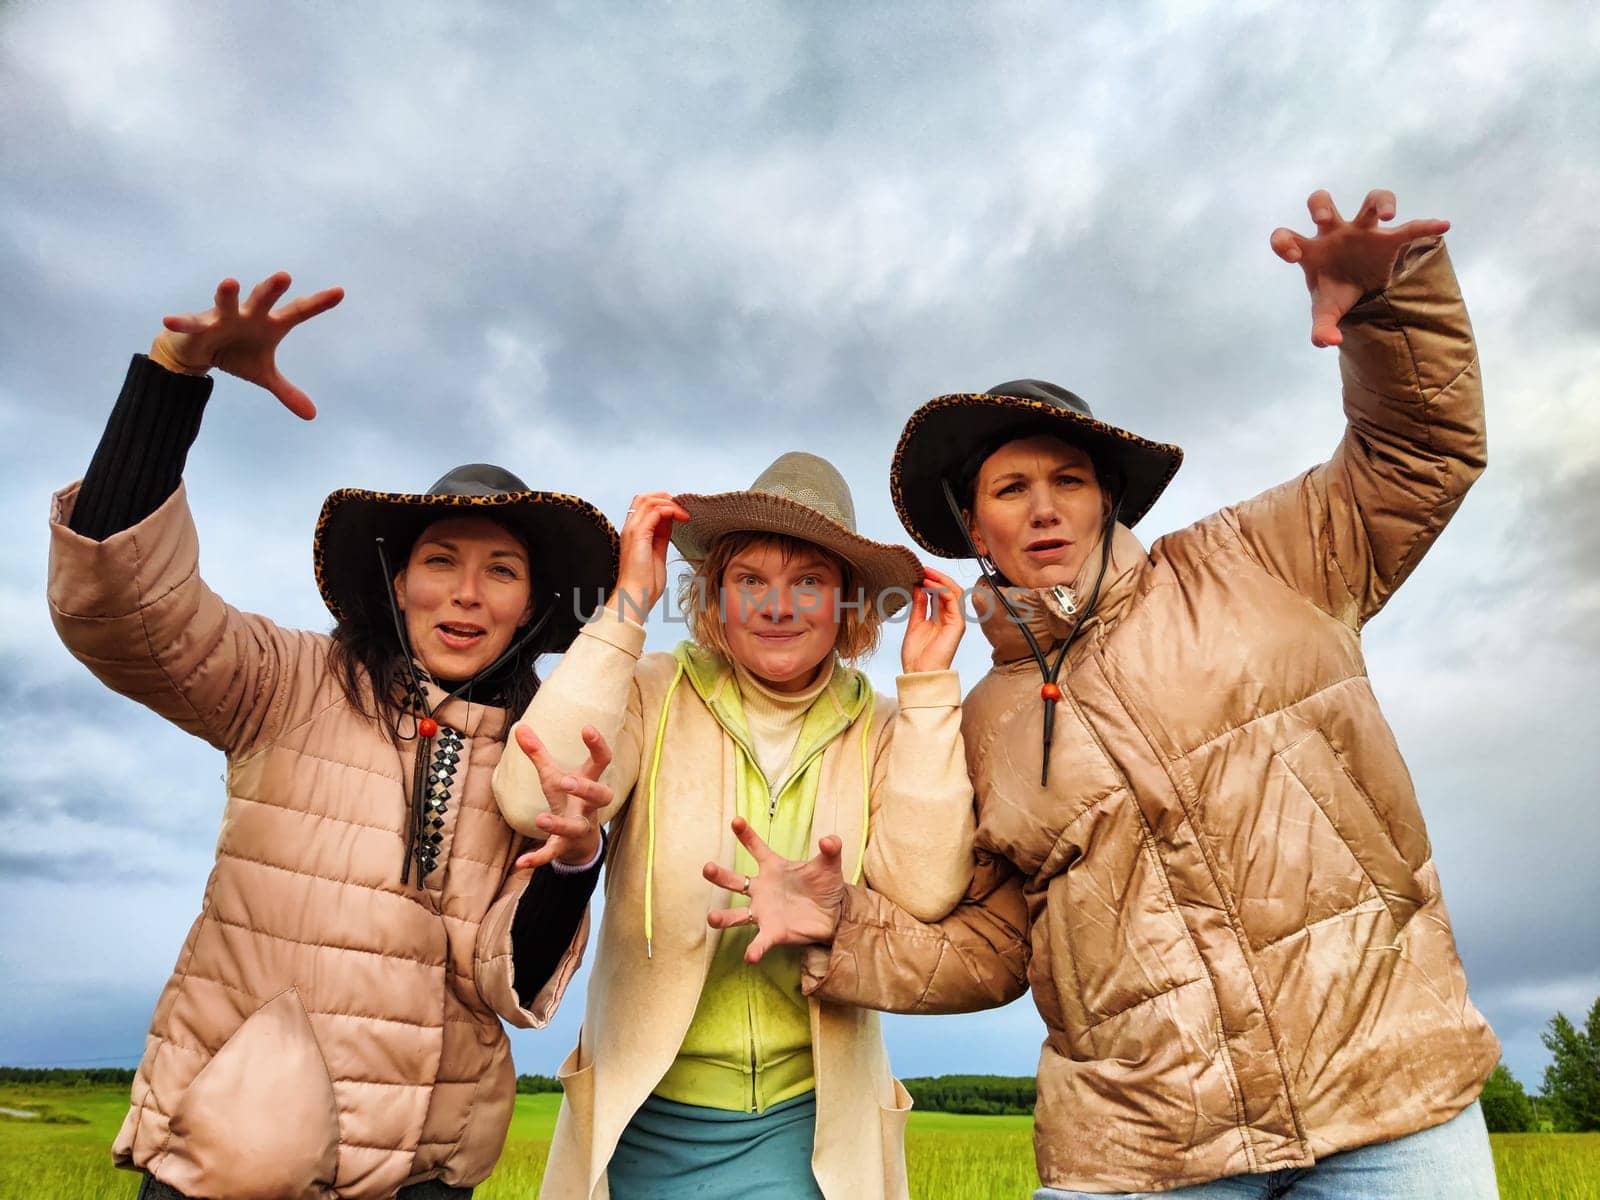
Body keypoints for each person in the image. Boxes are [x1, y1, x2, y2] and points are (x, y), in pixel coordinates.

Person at [703, 190, 1502, 1198]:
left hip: (1389, 1091)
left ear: (1107, 497)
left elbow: (1418, 456)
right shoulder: (980, 723)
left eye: (1068, 479)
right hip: (1143, 1142)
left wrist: (1386, 310)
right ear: (972, 528)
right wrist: (844, 928)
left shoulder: (1260, 561)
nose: (1043, 508)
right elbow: (994, 945)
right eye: (1009, 489)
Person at [47, 272, 621, 1200]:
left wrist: (573, 858)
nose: (467, 594)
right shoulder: (285, 684)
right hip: (233, 1152)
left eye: (501, 572)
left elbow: (505, 981)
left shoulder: (541, 755)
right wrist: (171, 382)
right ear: (398, 583)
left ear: (531, 608)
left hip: (427, 1168)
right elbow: (122, 605)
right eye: (441, 561)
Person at [492, 452, 977, 1198]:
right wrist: (626, 605)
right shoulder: (652, 690)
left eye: (808, 582)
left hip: (812, 1126)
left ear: (848, 604)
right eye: (750, 580)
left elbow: (925, 889)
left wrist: (928, 686)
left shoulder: (885, 728)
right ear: (714, 597)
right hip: (643, 1118)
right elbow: (533, 796)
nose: (776, 607)